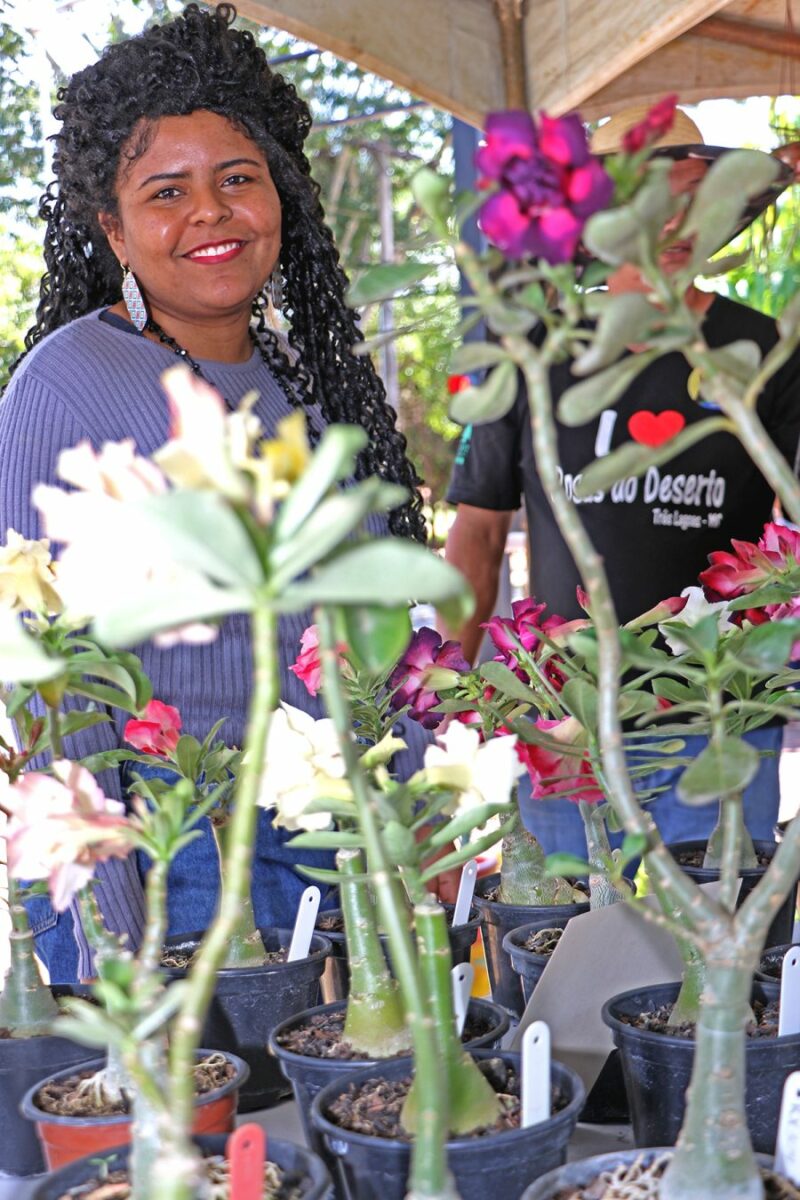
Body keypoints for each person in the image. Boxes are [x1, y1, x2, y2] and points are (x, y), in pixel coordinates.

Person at [0, 4, 428, 981]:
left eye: (238, 179)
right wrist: (109, 912)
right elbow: (35, 669)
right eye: (166, 190)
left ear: (278, 194)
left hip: (330, 819)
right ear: (111, 227)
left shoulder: (308, 381)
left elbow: (367, 619)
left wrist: (409, 810)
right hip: (163, 834)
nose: (210, 212)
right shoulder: (65, 383)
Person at [444, 108, 800, 858]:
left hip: (719, 713)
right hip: (566, 718)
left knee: (725, 948)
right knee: (564, 939)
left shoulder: (766, 350)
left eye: (695, 195)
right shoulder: (535, 349)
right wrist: (451, 716)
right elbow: (477, 531)